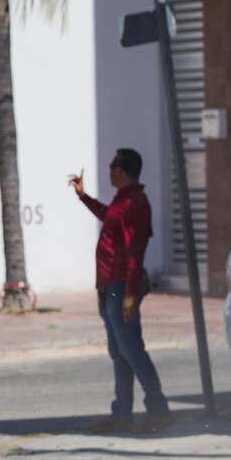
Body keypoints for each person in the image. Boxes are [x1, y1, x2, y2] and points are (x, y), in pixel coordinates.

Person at [69, 148, 175, 434]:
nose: (109, 168)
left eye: (113, 164)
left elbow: (135, 252)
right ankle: (123, 413)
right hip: (109, 285)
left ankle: (158, 409)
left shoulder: (136, 203)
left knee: (130, 348)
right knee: (120, 350)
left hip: (120, 285)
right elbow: (109, 218)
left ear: (122, 170)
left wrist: (129, 293)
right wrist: (84, 197)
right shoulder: (123, 201)